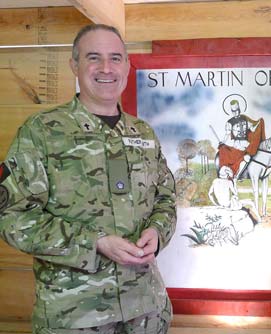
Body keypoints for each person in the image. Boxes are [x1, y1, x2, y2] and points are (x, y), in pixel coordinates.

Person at [0, 24, 176, 333]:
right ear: (75, 65)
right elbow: (12, 217)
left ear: (127, 64)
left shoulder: (143, 133)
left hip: (147, 311)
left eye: (116, 58)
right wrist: (94, 242)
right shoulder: (41, 132)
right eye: (94, 58)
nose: (106, 68)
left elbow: (166, 198)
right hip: (75, 316)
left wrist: (158, 232)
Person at [218, 99, 265, 179]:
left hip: (246, 144)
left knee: (250, 156)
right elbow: (227, 135)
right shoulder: (230, 122)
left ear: (239, 109)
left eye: (237, 110)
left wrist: (258, 123)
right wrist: (223, 141)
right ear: (231, 111)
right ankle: (236, 175)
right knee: (223, 149)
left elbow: (252, 129)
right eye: (233, 111)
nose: (235, 112)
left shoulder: (245, 118)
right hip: (236, 145)